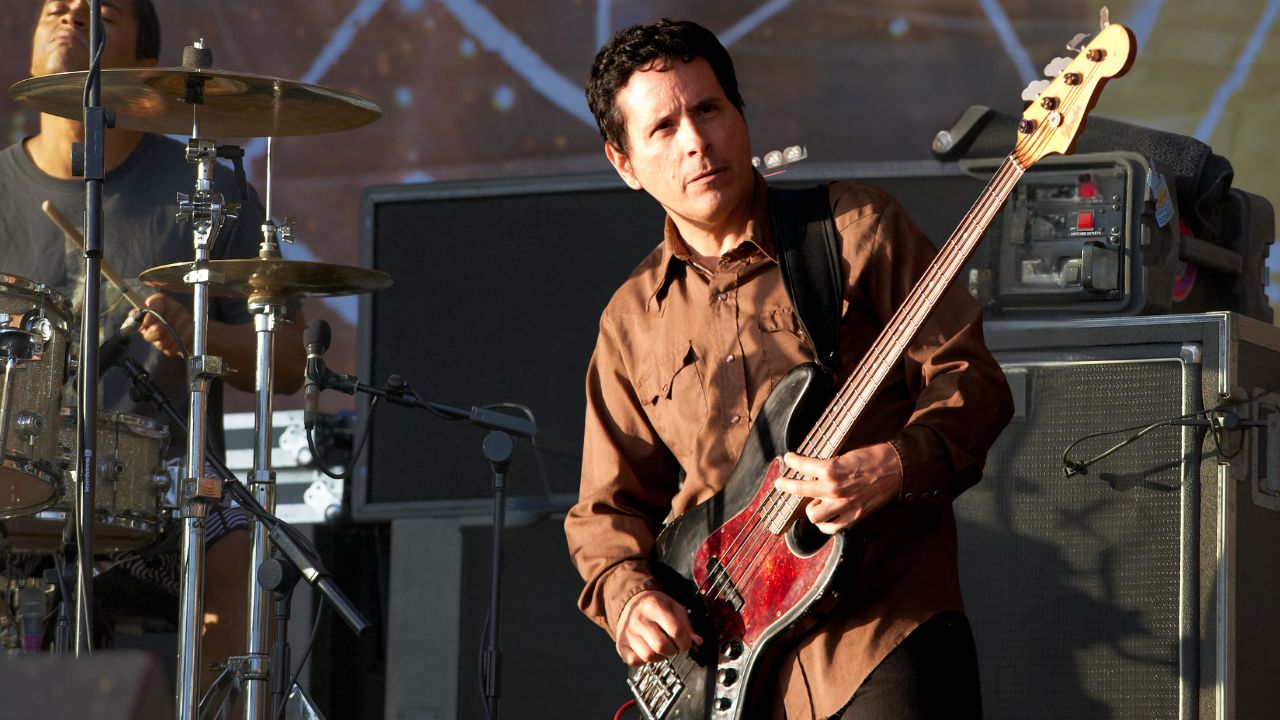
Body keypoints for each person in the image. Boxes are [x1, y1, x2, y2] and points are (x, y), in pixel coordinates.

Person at [565, 18, 1014, 719]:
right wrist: (632, 598)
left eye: (708, 109)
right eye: (663, 128)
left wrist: (895, 464)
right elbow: (606, 509)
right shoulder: (630, 320)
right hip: (726, 673)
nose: (695, 140)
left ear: (740, 115)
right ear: (624, 164)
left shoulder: (854, 228)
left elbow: (970, 375)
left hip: (880, 633)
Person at [0, 0, 305, 690]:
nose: (69, 15)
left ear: (143, 66)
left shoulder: (207, 194)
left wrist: (201, 331)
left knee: (240, 548)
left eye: (98, 11)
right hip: (13, 477)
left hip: (162, 496)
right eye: (56, 7)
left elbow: (287, 363)